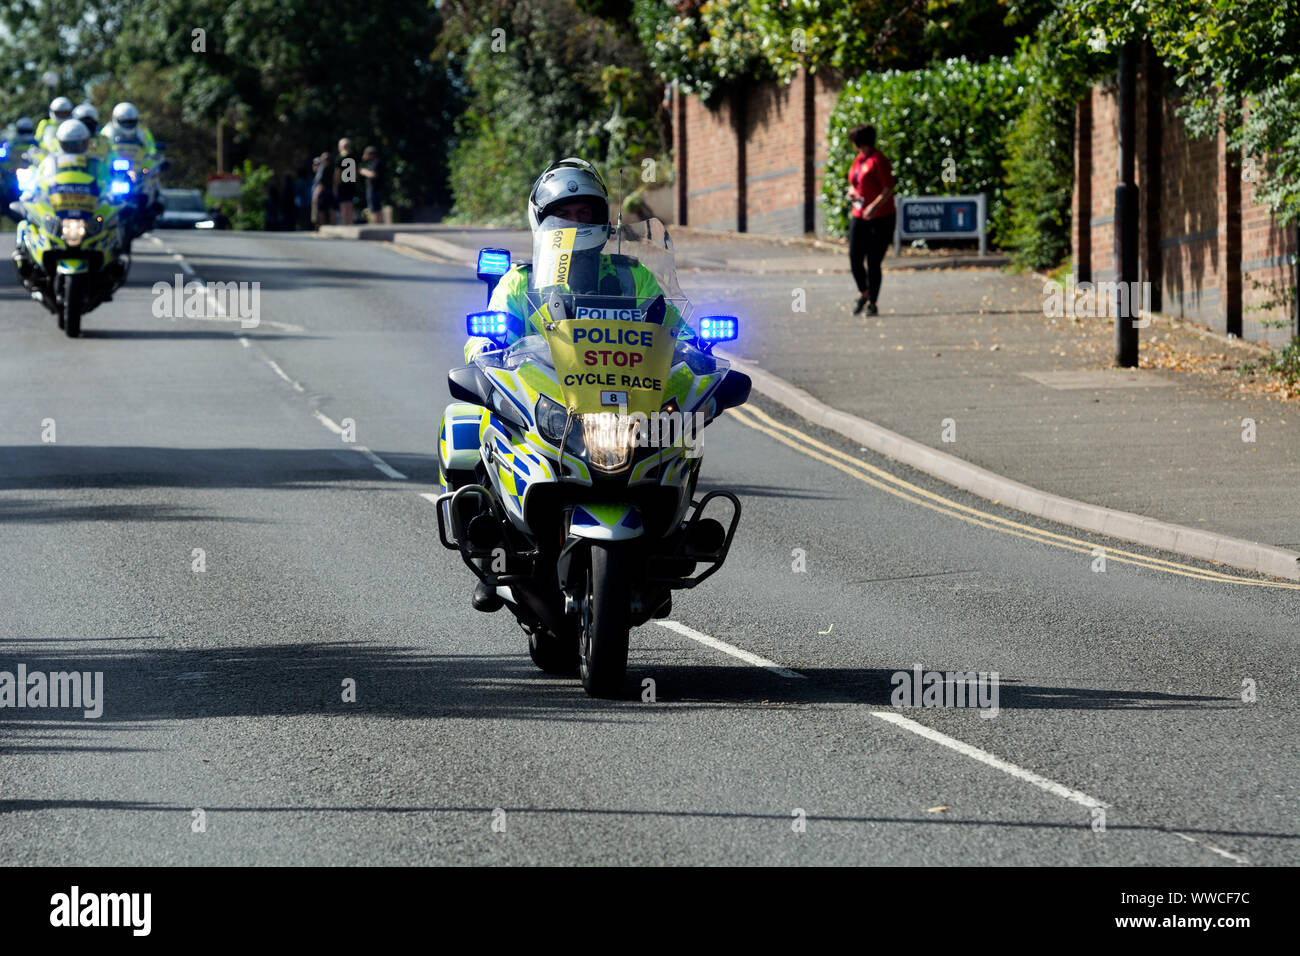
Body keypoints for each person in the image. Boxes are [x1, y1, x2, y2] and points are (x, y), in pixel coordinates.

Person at [467, 157, 691, 361]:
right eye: (563, 215)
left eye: (584, 213)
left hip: (630, 393)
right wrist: (485, 348)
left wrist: (693, 347)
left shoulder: (632, 274)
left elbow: (674, 329)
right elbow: (490, 338)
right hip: (538, 396)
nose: (574, 223)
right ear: (541, 220)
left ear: (599, 218)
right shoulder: (521, 280)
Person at [845, 124, 896, 316]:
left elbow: (888, 188)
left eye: (857, 143)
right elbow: (853, 184)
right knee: (854, 258)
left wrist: (874, 206)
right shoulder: (859, 160)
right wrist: (852, 194)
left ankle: (873, 302)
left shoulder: (878, 160)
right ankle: (864, 292)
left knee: (873, 261)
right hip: (859, 215)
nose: (856, 147)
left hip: (881, 217)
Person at [333, 137, 356, 225]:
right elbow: (356, 172)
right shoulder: (352, 156)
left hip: (343, 184)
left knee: (343, 205)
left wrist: (335, 186)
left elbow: (337, 173)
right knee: (350, 204)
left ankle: (346, 223)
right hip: (351, 184)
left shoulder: (340, 158)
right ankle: (350, 222)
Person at [358, 145, 384, 223]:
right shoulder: (371, 163)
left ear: (371, 154)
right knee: (375, 208)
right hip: (372, 189)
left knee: (375, 209)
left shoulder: (376, 162)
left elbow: (373, 175)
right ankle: (378, 224)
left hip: (375, 189)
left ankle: (377, 225)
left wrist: (363, 171)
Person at [312, 151, 334, 227]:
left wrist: (316, 194)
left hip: (323, 192)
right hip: (330, 191)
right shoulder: (332, 167)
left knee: (322, 211)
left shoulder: (324, 168)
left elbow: (321, 182)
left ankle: (323, 226)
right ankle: (330, 226)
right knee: (330, 210)